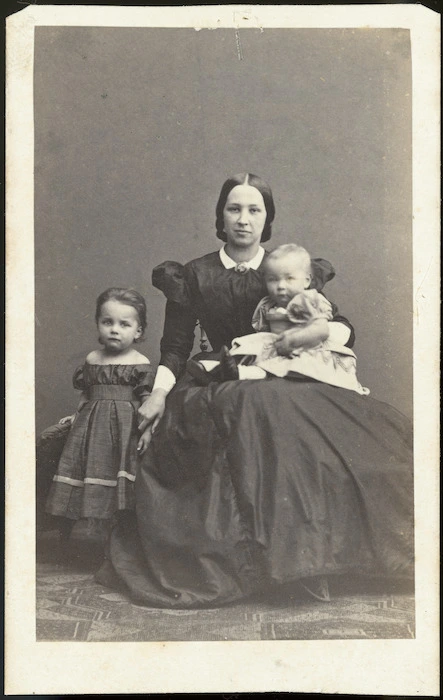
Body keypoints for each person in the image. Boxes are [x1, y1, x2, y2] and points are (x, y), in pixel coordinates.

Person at [91, 172, 414, 608]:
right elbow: (175, 346)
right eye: (234, 209)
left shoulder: (287, 268)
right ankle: (272, 567)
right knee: (252, 412)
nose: (243, 219)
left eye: (254, 210)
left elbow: (342, 328)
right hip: (225, 377)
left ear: (267, 218)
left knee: (304, 423)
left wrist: (303, 336)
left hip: (288, 371)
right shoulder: (196, 273)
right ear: (221, 217)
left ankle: (314, 563)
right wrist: (159, 394)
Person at [45, 288, 154, 544]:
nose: (114, 329)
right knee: (82, 468)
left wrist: (147, 429)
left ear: (138, 331)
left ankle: (118, 534)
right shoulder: (93, 360)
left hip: (124, 428)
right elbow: (86, 394)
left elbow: (147, 400)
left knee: (117, 472)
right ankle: (67, 530)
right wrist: (76, 415)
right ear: (98, 325)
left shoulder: (139, 362)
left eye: (124, 324)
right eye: (107, 322)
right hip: (90, 426)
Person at [187, 243, 370, 395]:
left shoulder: (307, 300)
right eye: (273, 279)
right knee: (254, 347)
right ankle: (227, 370)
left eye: (289, 278)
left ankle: (232, 370)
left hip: (308, 349)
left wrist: (294, 339)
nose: (280, 286)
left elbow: (321, 329)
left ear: (306, 280)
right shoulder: (268, 303)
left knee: (283, 364)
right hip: (279, 350)